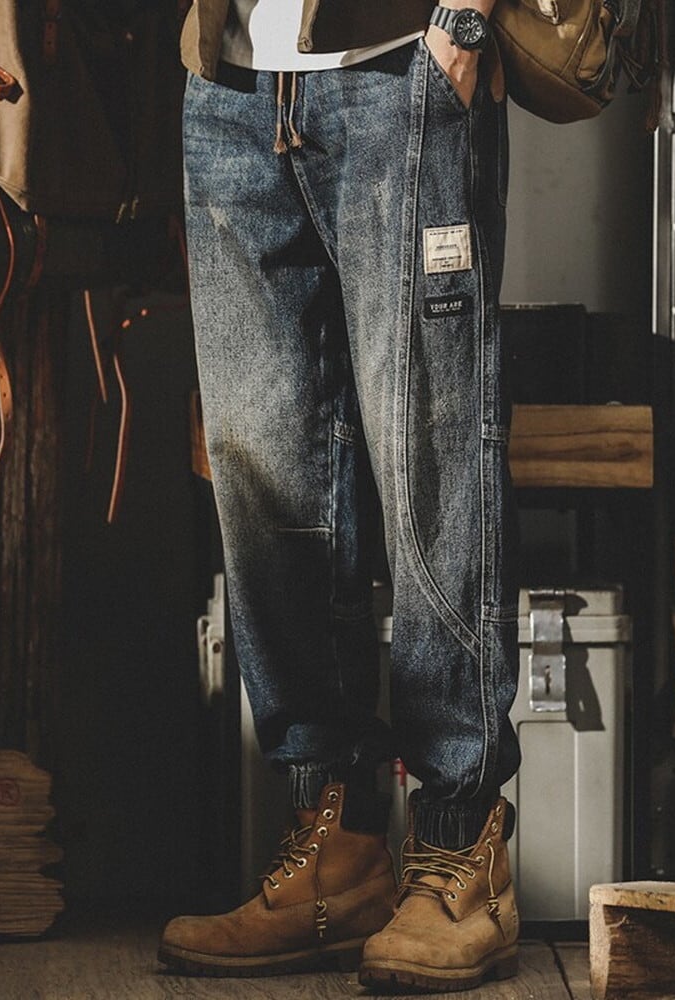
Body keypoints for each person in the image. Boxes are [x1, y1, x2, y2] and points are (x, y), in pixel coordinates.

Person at [159, 0, 522, 991]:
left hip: (401, 64)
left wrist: (465, 22)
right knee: (264, 473)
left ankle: (463, 852)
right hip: (233, 87)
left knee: (431, 461)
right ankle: (342, 852)